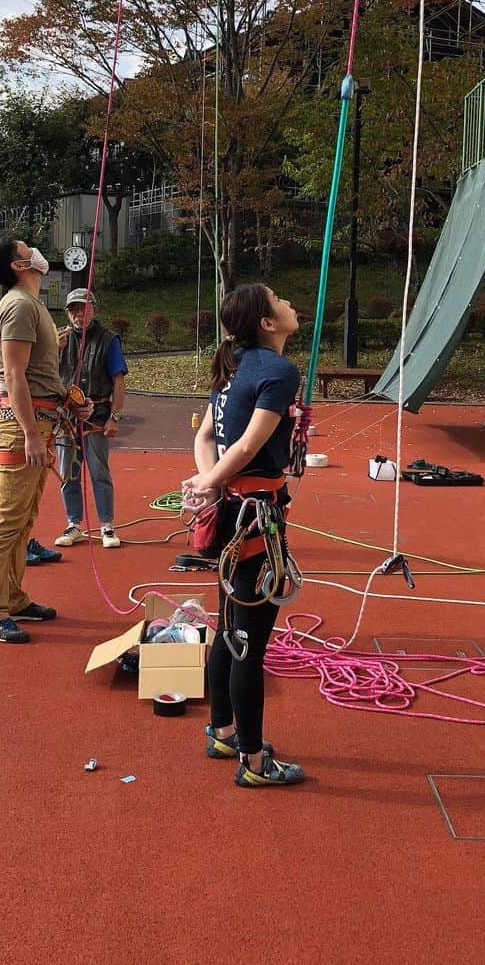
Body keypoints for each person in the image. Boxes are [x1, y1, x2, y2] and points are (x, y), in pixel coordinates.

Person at [182, 284, 306, 789]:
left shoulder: (235, 364)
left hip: (237, 511)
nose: (289, 303)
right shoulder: (278, 371)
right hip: (255, 516)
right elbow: (252, 440)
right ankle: (254, 763)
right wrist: (208, 483)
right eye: (280, 300)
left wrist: (212, 485)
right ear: (268, 323)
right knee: (248, 642)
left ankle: (222, 731)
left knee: (229, 623)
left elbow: (206, 436)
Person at [0, 239, 91, 644]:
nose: (38, 249)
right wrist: (27, 433)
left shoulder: (30, 306)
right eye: (28, 247)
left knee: (21, 518)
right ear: (21, 264)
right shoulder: (20, 306)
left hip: (40, 419)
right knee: (6, 519)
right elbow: (14, 374)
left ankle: (11, 596)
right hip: (24, 423)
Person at [54, 288, 128, 549]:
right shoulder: (58, 339)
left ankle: (107, 526)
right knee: (67, 473)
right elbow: (45, 374)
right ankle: (74, 523)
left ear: (94, 310)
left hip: (97, 415)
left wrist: (114, 417)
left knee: (99, 472)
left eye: (83, 308)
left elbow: (119, 380)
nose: (79, 314)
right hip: (65, 418)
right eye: (73, 309)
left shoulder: (109, 340)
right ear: (67, 313)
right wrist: (53, 350)